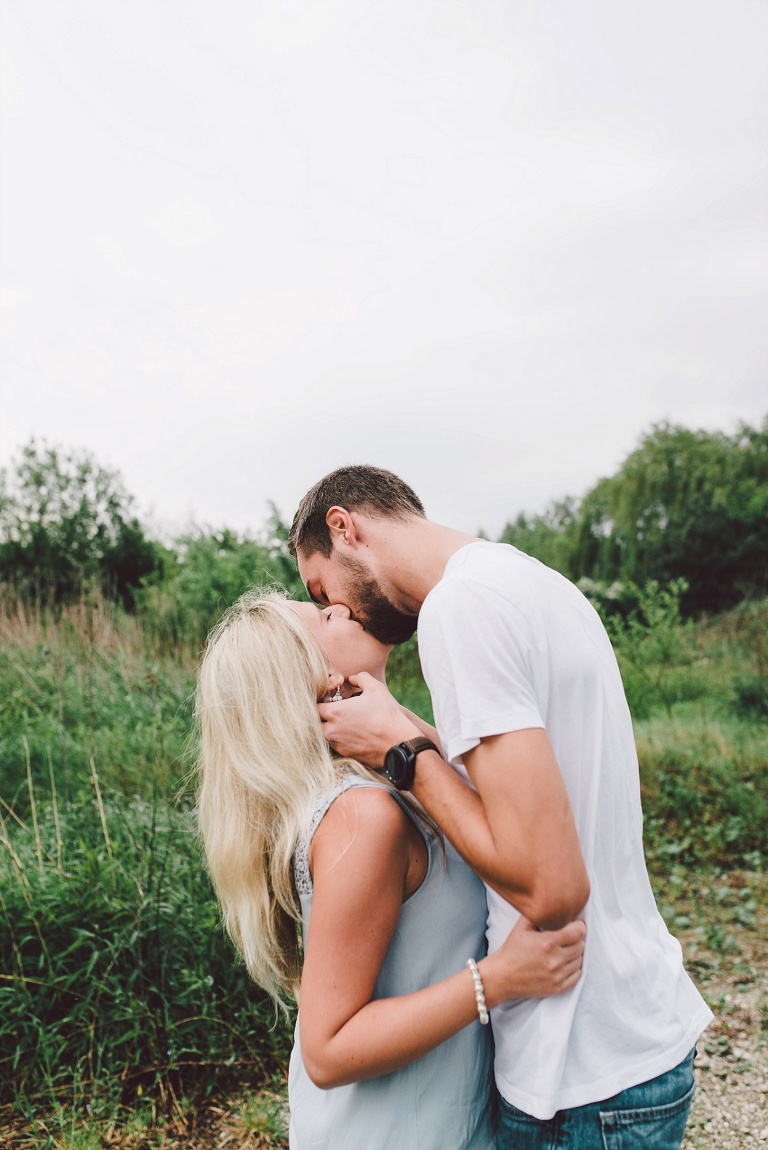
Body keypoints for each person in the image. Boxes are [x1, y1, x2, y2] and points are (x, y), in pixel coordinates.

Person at [288, 465, 714, 1149]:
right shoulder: (531, 583)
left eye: (320, 588)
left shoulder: (462, 610)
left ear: (345, 528)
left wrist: (404, 753)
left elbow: (552, 889)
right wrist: (414, 736)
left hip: (577, 1071)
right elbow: (540, 791)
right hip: (631, 1029)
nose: (335, 608)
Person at [195, 590, 586, 1150]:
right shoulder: (363, 816)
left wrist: (395, 726)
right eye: (322, 617)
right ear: (317, 678)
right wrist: (501, 979)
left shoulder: (385, 778)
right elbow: (327, 1051)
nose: (342, 608)